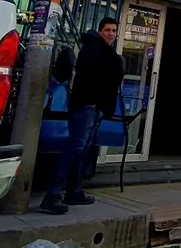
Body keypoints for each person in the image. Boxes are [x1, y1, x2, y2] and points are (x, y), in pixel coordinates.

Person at [40, 17, 125, 215]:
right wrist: (93, 101)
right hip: (86, 107)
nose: (111, 33)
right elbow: (94, 76)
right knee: (75, 148)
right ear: (100, 30)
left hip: (94, 108)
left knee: (83, 149)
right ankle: (52, 195)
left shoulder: (104, 51)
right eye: (107, 30)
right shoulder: (93, 48)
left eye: (113, 30)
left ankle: (74, 191)